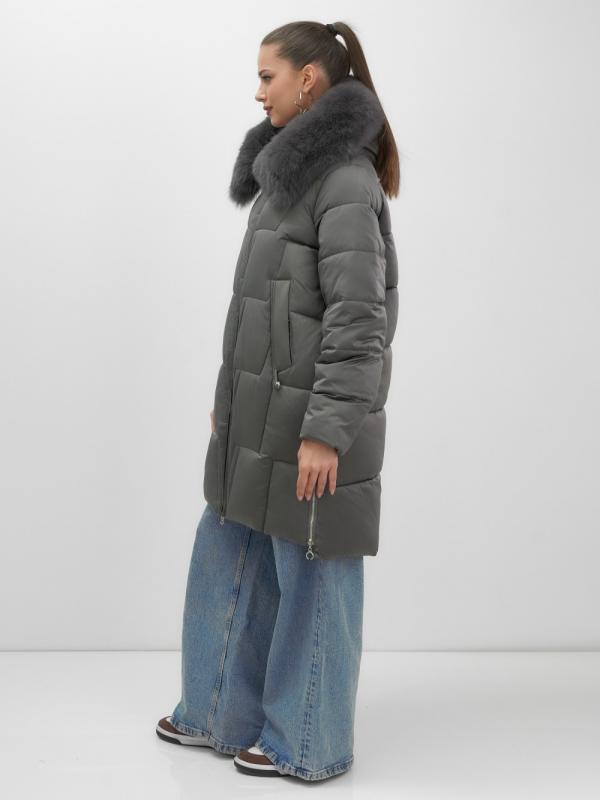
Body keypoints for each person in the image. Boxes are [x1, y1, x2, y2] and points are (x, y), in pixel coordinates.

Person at [155, 19, 400, 782]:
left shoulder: (345, 181)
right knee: (229, 550)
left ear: (309, 80)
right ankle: (217, 711)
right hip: (259, 415)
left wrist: (328, 429)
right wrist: (228, 403)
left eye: (268, 76)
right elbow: (263, 309)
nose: (257, 91)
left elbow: (360, 319)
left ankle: (306, 740)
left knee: (314, 567)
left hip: (311, 424)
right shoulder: (286, 176)